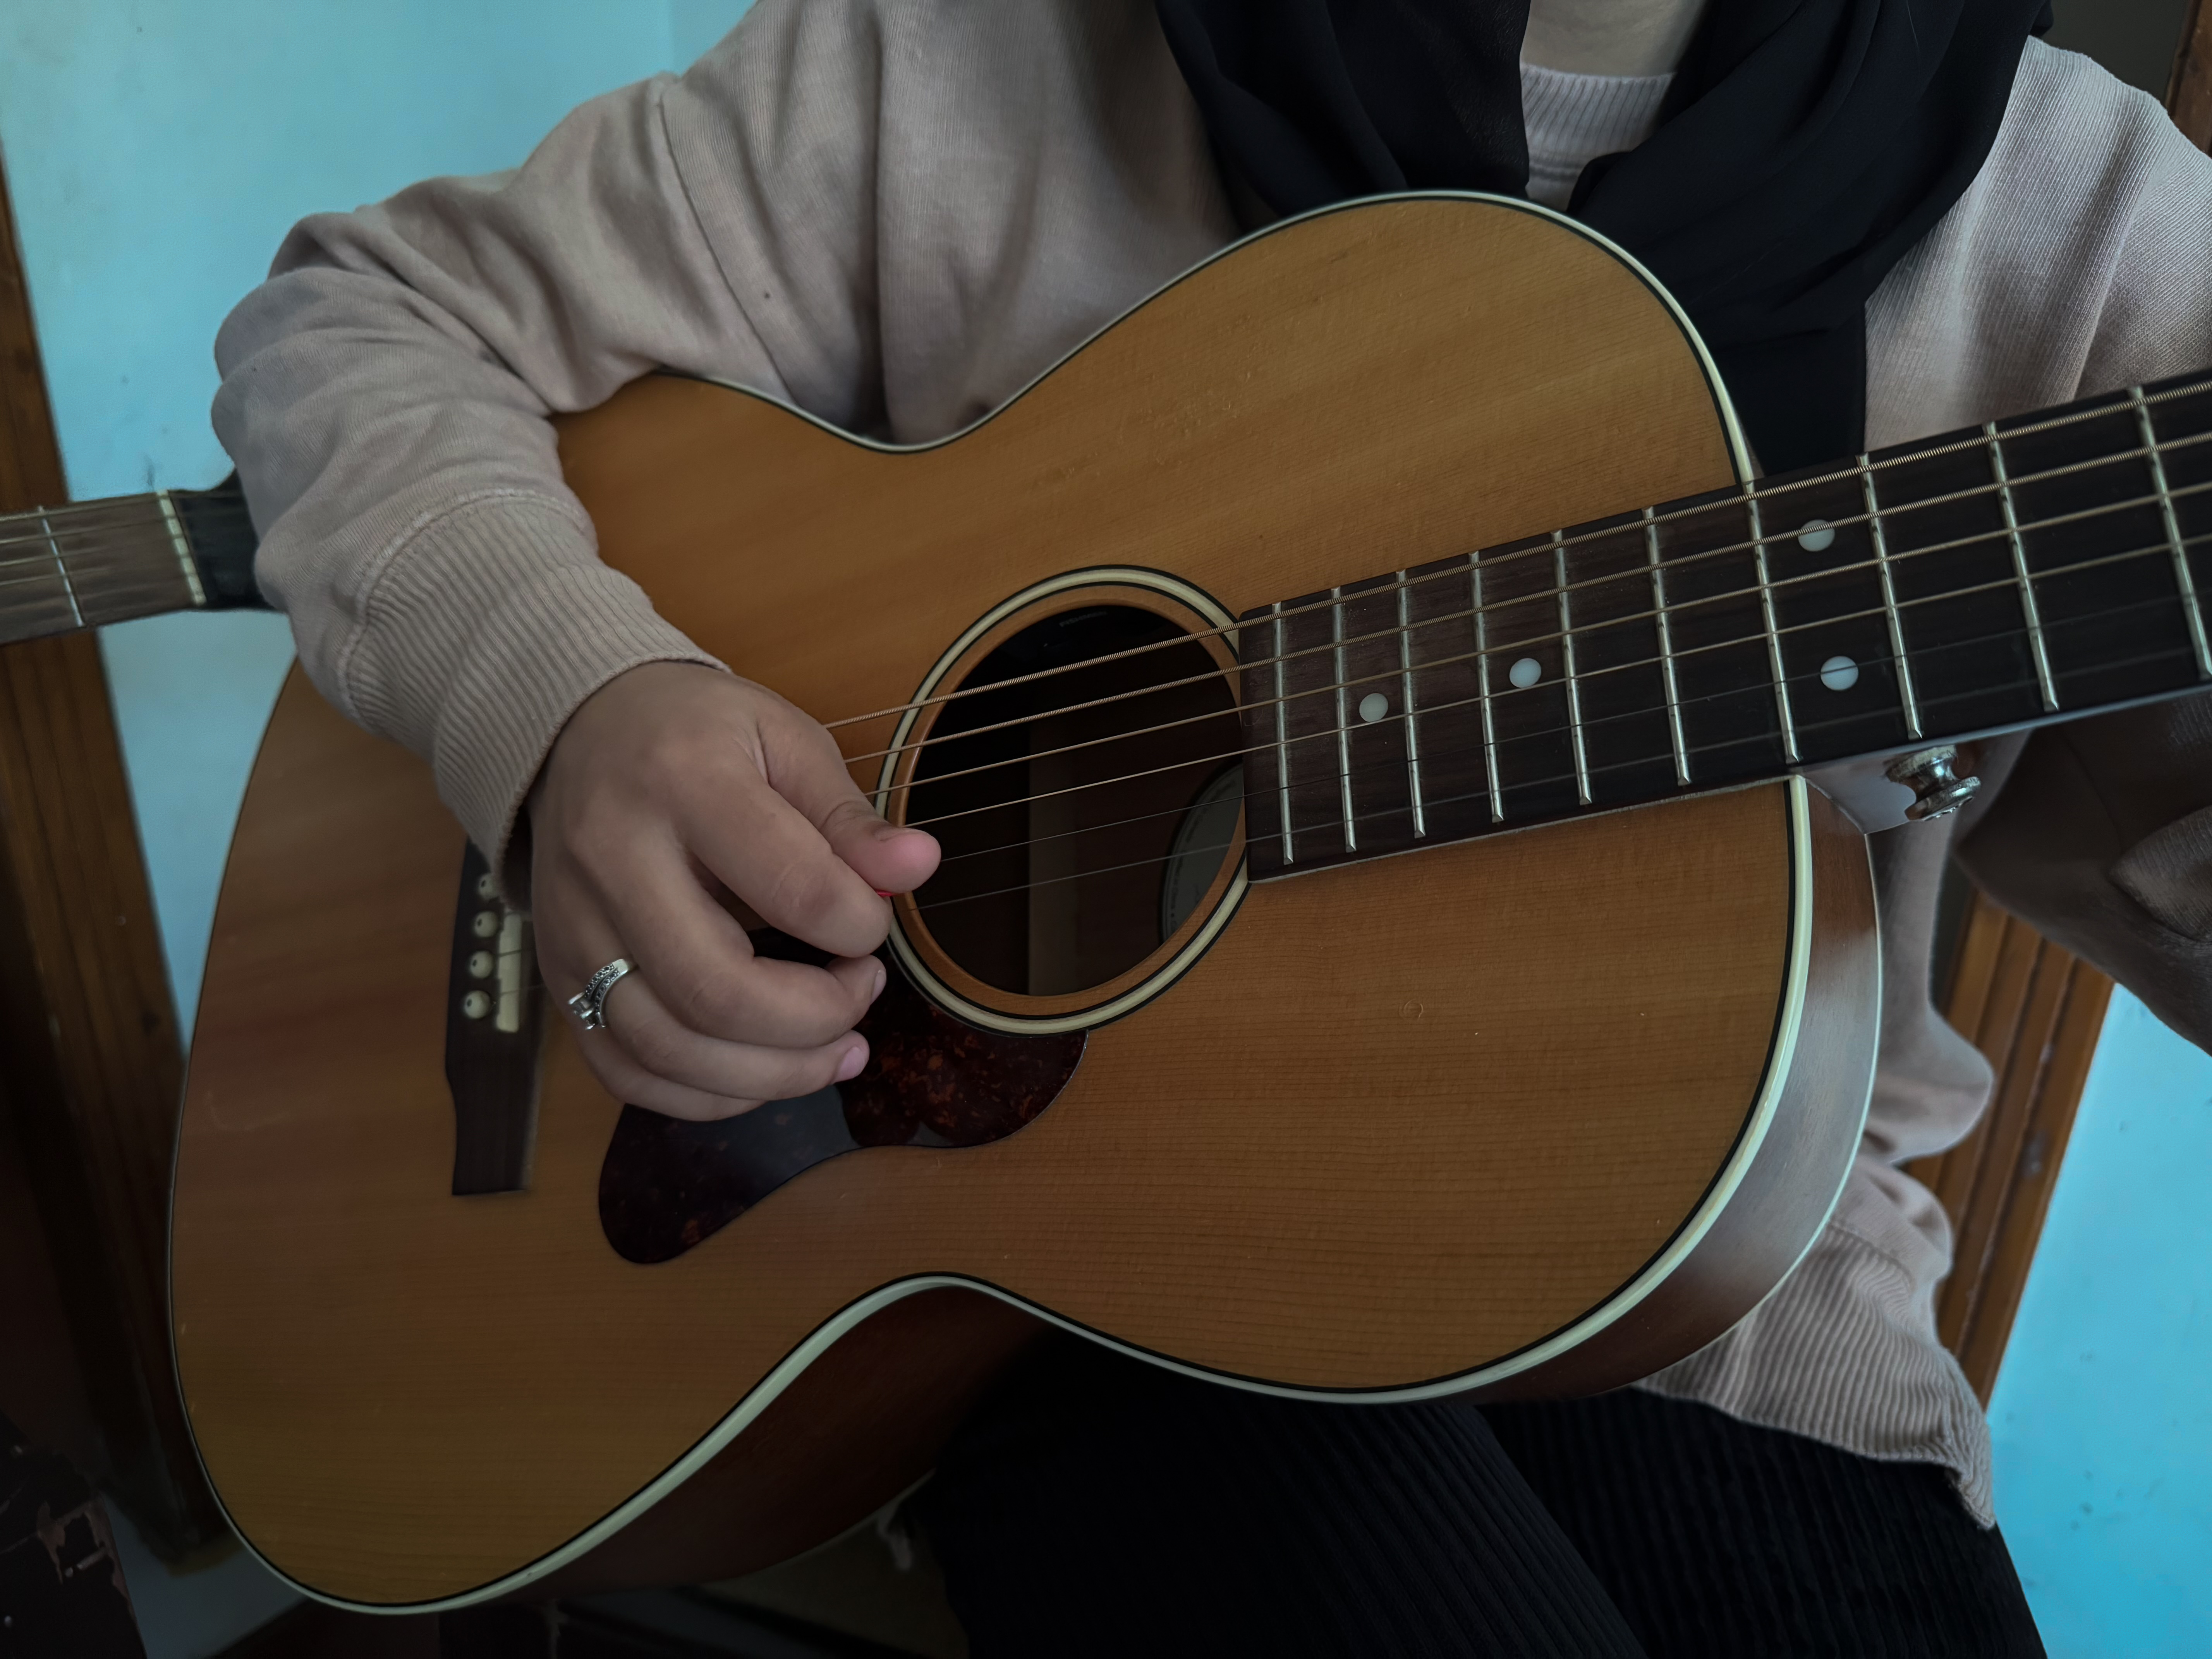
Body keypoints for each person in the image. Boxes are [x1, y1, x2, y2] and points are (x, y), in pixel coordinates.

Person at [211, 0, 2212, 1651]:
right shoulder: (978, 58)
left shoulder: (2093, 235)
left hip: (1753, 1325)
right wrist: (569, 707)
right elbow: (366, 321)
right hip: (1086, 1291)